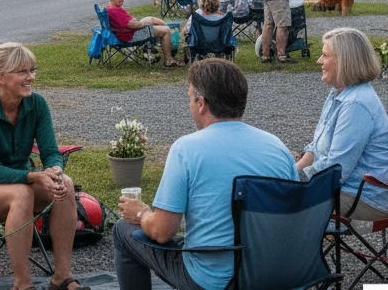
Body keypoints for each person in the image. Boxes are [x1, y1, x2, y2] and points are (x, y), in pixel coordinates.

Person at [114, 59, 298, 290]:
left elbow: (162, 232)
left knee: (122, 231)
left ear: (201, 103)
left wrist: (141, 213)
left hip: (215, 280)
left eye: (190, 97)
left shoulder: (187, 149)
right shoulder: (277, 148)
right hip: (277, 275)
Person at [0, 43, 91, 290]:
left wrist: (54, 171)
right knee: (22, 193)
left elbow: (51, 152)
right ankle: (22, 283)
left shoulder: (37, 104)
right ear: (1, 77)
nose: (31, 77)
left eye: (32, 70)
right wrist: (35, 176)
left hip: (20, 178)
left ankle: (62, 277)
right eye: (23, 72)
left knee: (66, 184)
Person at [297, 28, 388, 228]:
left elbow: (336, 171)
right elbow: (316, 148)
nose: (319, 61)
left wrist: (292, 183)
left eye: (325, 55)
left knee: (272, 203)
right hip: (345, 189)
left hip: (366, 198)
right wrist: (291, 172)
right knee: (272, 189)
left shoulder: (355, 104)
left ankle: (295, 257)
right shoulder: (339, 94)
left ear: (344, 61)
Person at [107, 0, 182, 67]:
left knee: (151, 19)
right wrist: (144, 25)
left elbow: (127, 23)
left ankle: (168, 43)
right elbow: (132, 25)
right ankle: (168, 60)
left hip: (126, 32)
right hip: (130, 35)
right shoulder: (115, 11)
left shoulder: (109, 8)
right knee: (166, 30)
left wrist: (142, 22)